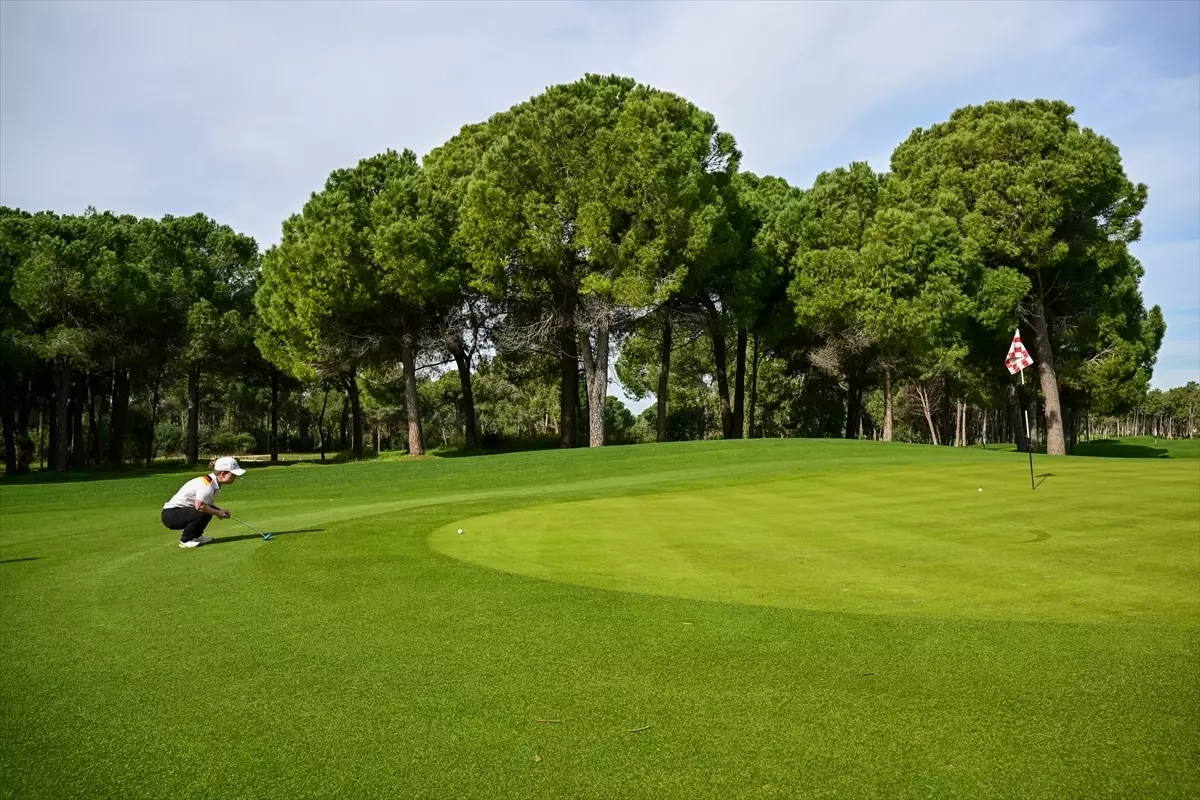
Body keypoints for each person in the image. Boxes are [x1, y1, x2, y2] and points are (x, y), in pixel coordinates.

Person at [161, 456, 246, 548]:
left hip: (178, 512)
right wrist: (217, 513)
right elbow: (200, 506)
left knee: (207, 511)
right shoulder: (207, 485)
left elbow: (206, 504)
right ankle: (186, 540)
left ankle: (196, 536)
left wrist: (220, 510)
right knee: (203, 513)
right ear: (223, 474)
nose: (235, 477)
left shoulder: (212, 483)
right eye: (233, 474)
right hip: (171, 515)